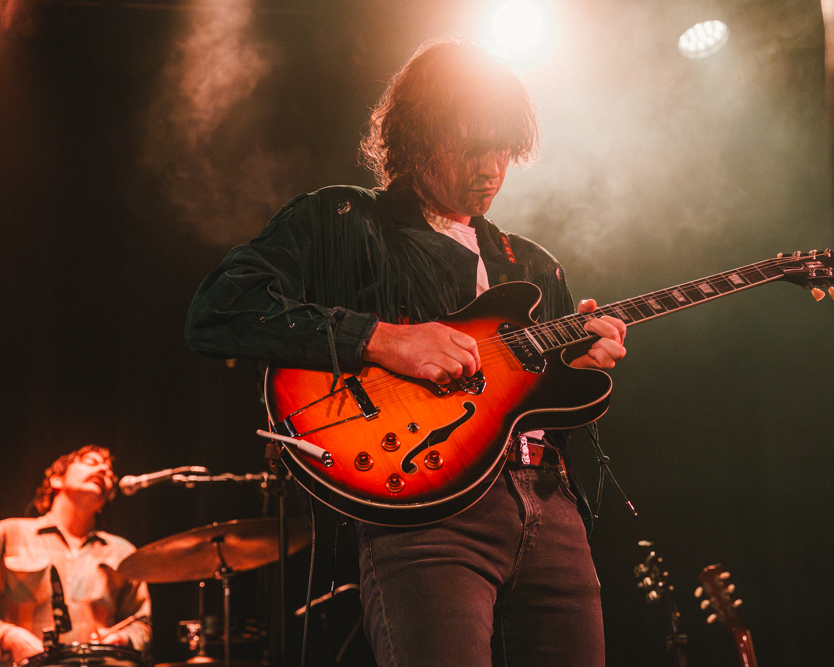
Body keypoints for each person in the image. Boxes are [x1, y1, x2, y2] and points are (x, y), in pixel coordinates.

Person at [186, 39, 626, 666]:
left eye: (504, 148)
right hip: (426, 510)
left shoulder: (532, 264)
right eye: (473, 146)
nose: (492, 168)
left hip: (550, 504)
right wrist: (382, 338)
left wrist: (576, 366)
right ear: (419, 140)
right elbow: (219, 310)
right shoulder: (342, 218)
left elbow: (535, 398)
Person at [0, 446, 152, 666]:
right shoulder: (9, 533)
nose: (104, 470)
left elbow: (141, 623)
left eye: (110, 473)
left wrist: (122, 638)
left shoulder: (123, 553)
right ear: (56, 480)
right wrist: (8, 635)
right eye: (91, 462)